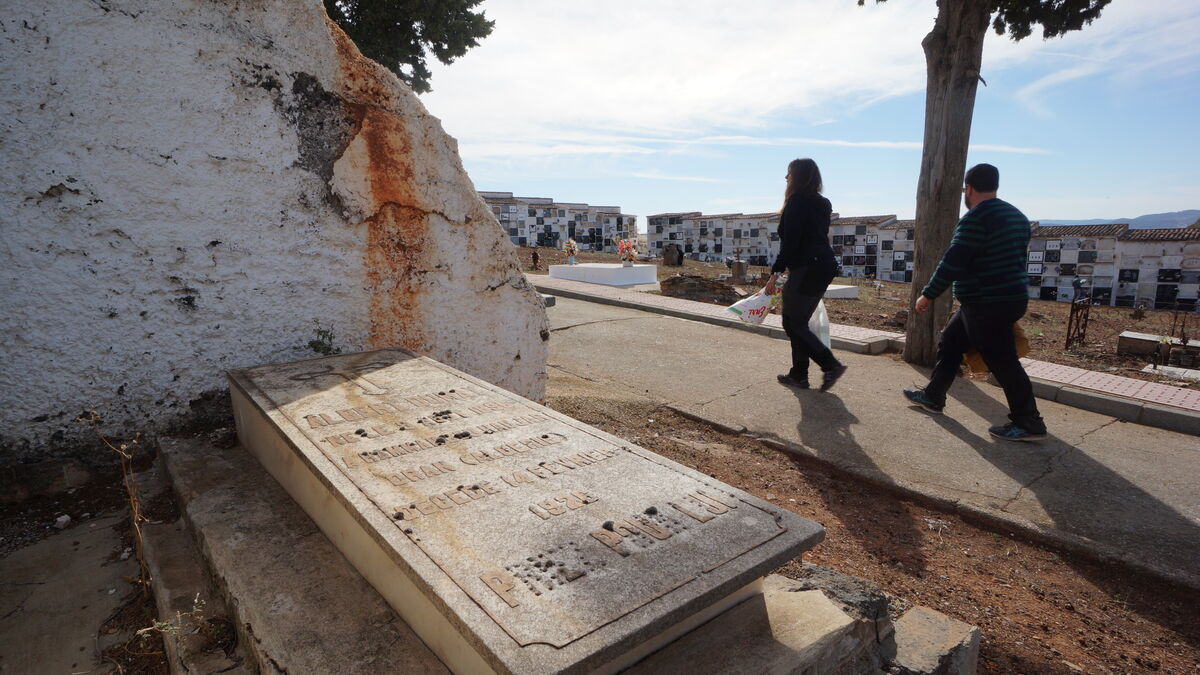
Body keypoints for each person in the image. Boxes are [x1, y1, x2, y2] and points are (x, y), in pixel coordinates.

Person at [903, 163, 1047, 442]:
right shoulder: (1017, 216)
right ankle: (933, 396)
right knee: (950, 342)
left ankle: (1029, 421)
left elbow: (954, 261)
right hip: (1007, 297)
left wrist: (928, 294)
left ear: (968, 189)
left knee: (1002, 360)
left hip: (987, 301)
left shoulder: (976, 218)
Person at [764, 158, 847, 392]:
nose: (786, 178)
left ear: (797, 177)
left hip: (807, 268)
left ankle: (830, 365)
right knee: (797, 323)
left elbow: (791, 242)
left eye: (789, 173)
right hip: (824, 266)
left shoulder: (797, 201)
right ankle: (799, 375)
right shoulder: (823, 202)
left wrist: (775, 273)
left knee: (793, 323)